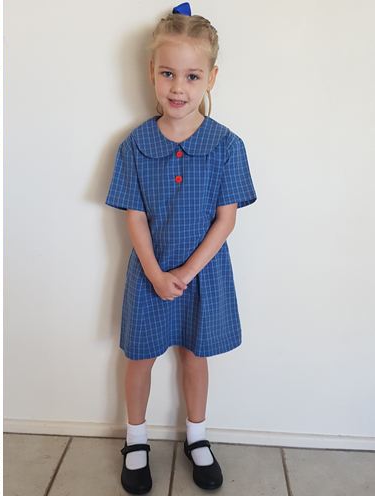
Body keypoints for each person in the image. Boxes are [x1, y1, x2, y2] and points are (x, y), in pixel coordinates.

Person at [105, 3, 256, 494]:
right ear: (152, 72)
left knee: (195, 356)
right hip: (149, 275)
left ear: (211, 78)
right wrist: (154, 272)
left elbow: (226, 219)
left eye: (192, 76)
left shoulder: (227, 145)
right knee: (140, 357)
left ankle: (197, 436)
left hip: (202, 275)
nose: (177, 87)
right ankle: (136, 439)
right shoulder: (134, 145)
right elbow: (135, 216)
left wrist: (187, 271)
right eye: (168, 73)